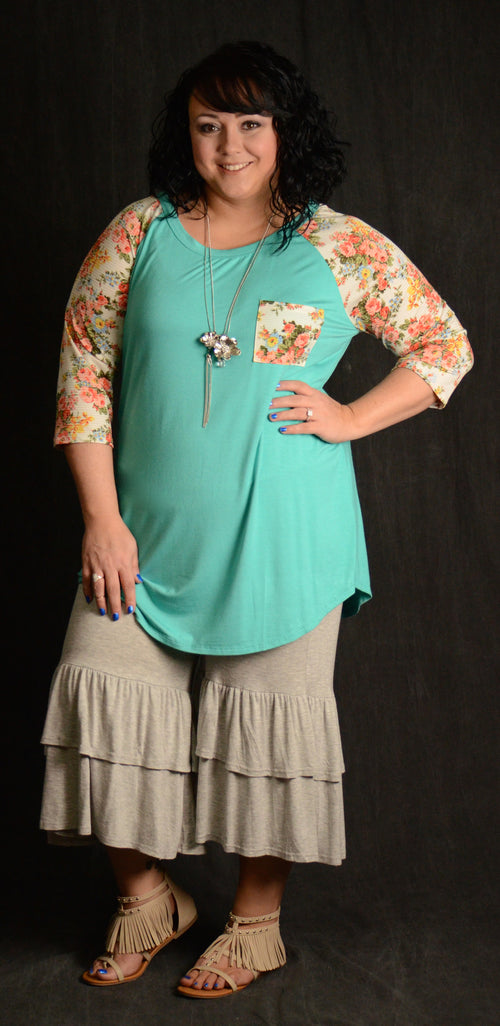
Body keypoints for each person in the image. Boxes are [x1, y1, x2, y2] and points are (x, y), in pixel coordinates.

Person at [40, 40, 473, 998]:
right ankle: (147, 897)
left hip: (288, 540)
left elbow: (444, 346)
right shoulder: (137, 233)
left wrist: (351, 416)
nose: (230, 145)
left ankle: (256, 926)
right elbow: (84, 379)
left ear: (286, 133)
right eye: (209, 124)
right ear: (185, 134)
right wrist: (102, 520)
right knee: (99, 693)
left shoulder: (337, 244)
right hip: (142, 539)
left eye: (251, 123)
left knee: (267, 736)